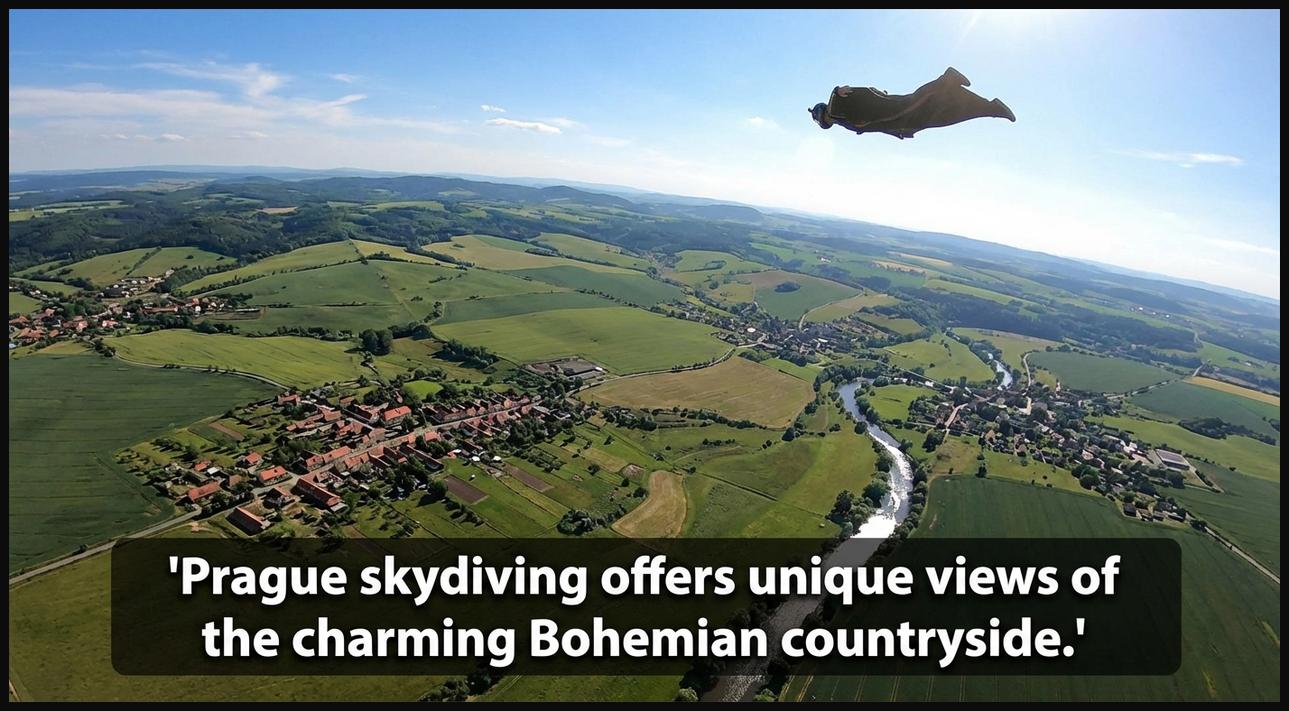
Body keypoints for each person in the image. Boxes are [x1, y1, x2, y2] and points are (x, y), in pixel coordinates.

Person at [809, 67, 1015, 139]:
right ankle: (991, 108)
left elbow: (835, 99)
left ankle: (947, 79)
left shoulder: (836, 110)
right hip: (899, 123)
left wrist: (835, 91)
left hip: (893, 112)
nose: (829, 119)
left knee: (917, 100)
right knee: (944, 116)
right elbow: (873, 127)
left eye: (825, 118)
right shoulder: (844, 121)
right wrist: (897, 132)